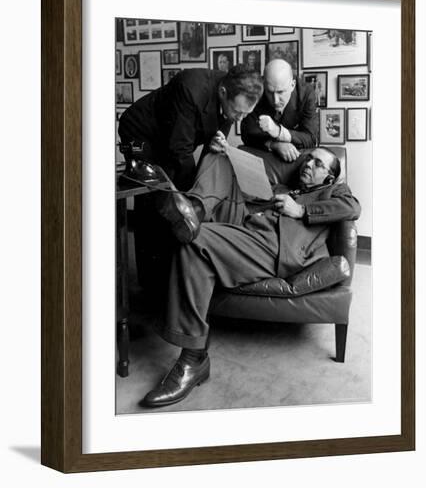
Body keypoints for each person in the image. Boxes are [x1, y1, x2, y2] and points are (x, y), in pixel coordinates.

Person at [140, 147, 361, 408]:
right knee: (219, 156)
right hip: (245, 226)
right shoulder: (284, 187)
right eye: (308, 158)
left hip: (274, 248)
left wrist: (301, 211)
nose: (308, 164)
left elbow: (352, 206)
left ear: (329, 178)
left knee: (193, 240)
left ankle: (193, 357)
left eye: (318, 163)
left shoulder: (333, 191)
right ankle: (196, 209)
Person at [119, 65, 264, 191]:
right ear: (223, 92)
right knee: (151, 186)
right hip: (139, 130)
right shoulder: (190, 88)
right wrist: (191, 192)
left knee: (173, 186)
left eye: (245, 114)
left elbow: (210, 151)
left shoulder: (234, 99)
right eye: (237, 112)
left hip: (168, 135)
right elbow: (180, 149)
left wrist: (200, 188)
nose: (239, 119)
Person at [241, 59, 318, 163]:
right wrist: (274, 145)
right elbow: (247, 135)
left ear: (292, 85)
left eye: (280, 92)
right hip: (263, 157)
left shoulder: (306, 94)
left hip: (296, 157)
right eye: (269, 92)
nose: (276, 100)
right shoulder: (257, 89)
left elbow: (311, 139)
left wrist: (278, 132)